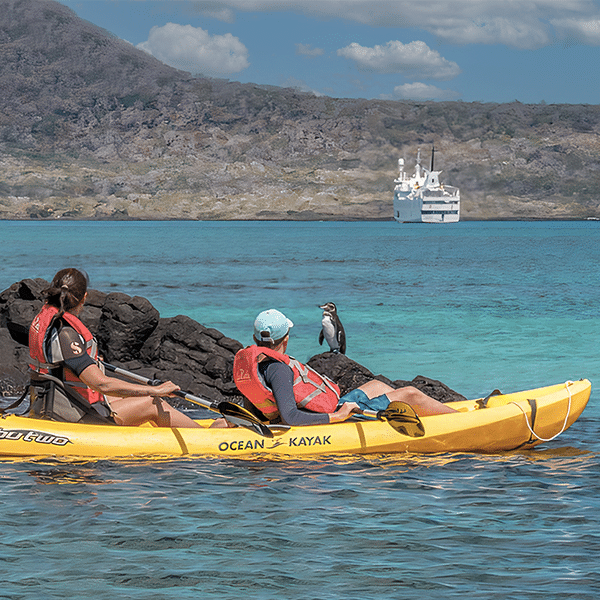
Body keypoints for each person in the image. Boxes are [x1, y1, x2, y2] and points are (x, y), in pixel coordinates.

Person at [28, 268, 206, 428]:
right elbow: (102, 384)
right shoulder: (66, 333)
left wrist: (87, 361)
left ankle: (198, 429)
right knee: (153, 402)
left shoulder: (46, 320)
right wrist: (156, 390)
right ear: (84, 297)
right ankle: (205, 438)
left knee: (125, 396)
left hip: (56, 402)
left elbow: (64, 364)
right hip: (73, 414)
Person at [233, 309, 457, 427]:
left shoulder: (253, 365)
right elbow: (290, 417)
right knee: (410, 394)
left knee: (377, 386)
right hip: (331, 418)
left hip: (327, 409)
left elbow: (257, 408)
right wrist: (338, 417)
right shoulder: (278, 369)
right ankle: (462, 422)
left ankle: (412, 420)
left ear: (255, 338)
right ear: (286, 339)